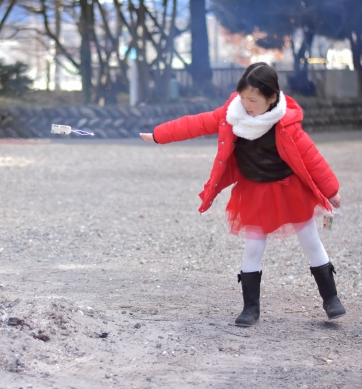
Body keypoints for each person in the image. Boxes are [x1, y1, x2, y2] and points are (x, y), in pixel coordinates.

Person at [140, 62, 345, 327]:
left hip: (289, 189)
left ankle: (331, 299)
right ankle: (250, 308)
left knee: (311, 242)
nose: (246, 104)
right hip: (255, 191)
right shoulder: (231, 115)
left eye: (253, 99)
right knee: (253, 247)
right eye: (243, 97)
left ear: (271, 98)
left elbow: (312, 157)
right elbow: (194, 124)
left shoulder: (286, 123)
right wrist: (158, 135)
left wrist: (332, 191)